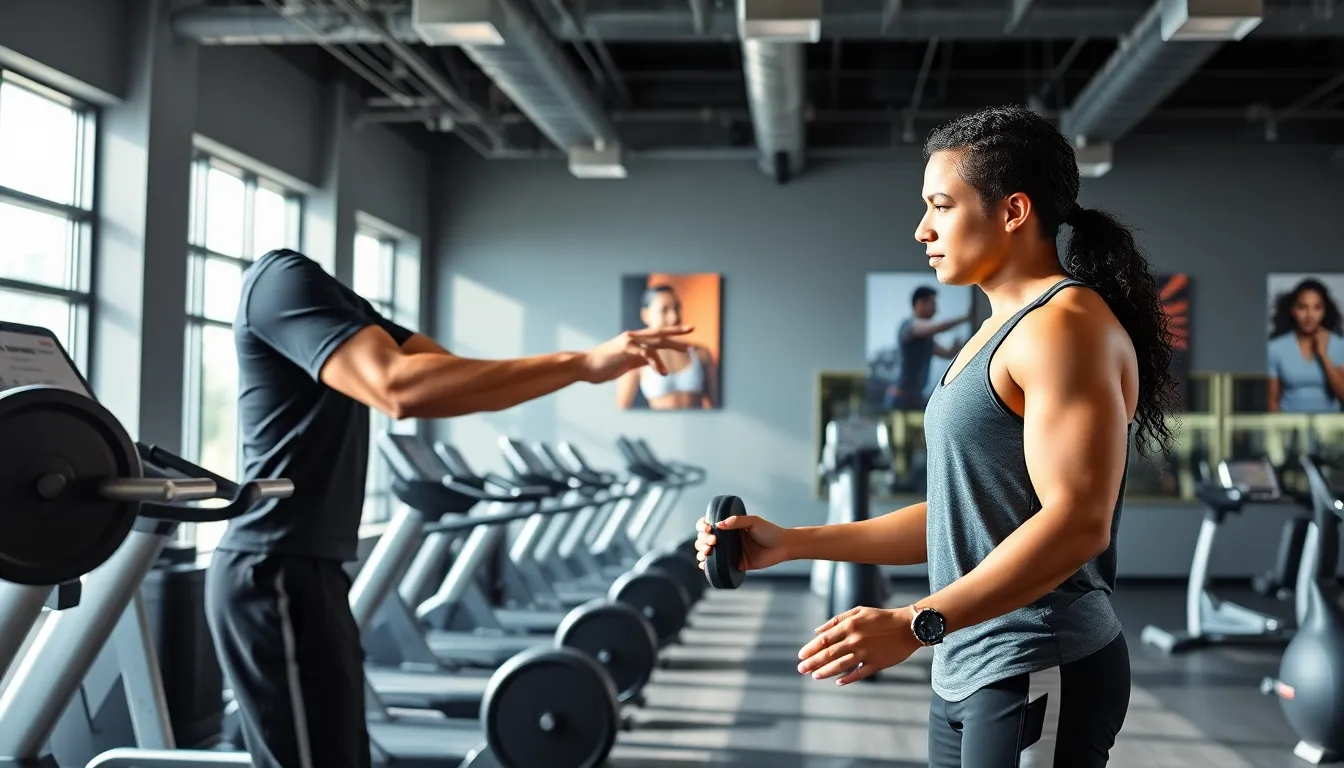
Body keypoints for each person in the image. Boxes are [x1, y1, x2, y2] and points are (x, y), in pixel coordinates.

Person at [695, 105, 1179, 767]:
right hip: (968, 665)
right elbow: (965, 519)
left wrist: (915, 622)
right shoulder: (995, 331)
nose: (922, 228)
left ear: (1013, 211)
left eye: (941, 205)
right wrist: (793, 543)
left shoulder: (1064, 326)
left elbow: (1077, 524)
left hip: (1036, 659)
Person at [204, 248, 692, 768]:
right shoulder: (285, 281)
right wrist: (580, 363)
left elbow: (448, 376)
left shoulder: (347, 308)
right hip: (272, 566)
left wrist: (581, 370)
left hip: (313, 570)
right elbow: (396, 388)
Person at [616, 283, 718, 410]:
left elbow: (716, 405)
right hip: (658, 429)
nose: (674, 317)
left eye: (676, 308)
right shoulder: (636, 355)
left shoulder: (700, 353)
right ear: (645, 315)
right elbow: (622, 409)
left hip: (698, 428)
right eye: (664, 310)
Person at [1267, 277, 1344, 413]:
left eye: (1317, 308)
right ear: (1293, 310)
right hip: (1289, 428)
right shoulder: (1276, 348)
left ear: (1325, 311)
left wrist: (1323, 354)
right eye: (1302, 307)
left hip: (1330, 430)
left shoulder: (1339, 345)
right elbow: (1272, 402)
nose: (1309, 316)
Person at [886, 285, 970, 410]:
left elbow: (947, 353)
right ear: (920, 303)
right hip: (901, 398)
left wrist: (959, 345)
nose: (936, 310)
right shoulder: (909, 326)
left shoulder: (926, 338)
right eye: (933, 304)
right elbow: (940, 326)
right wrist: (966, 317)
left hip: (916, 397)